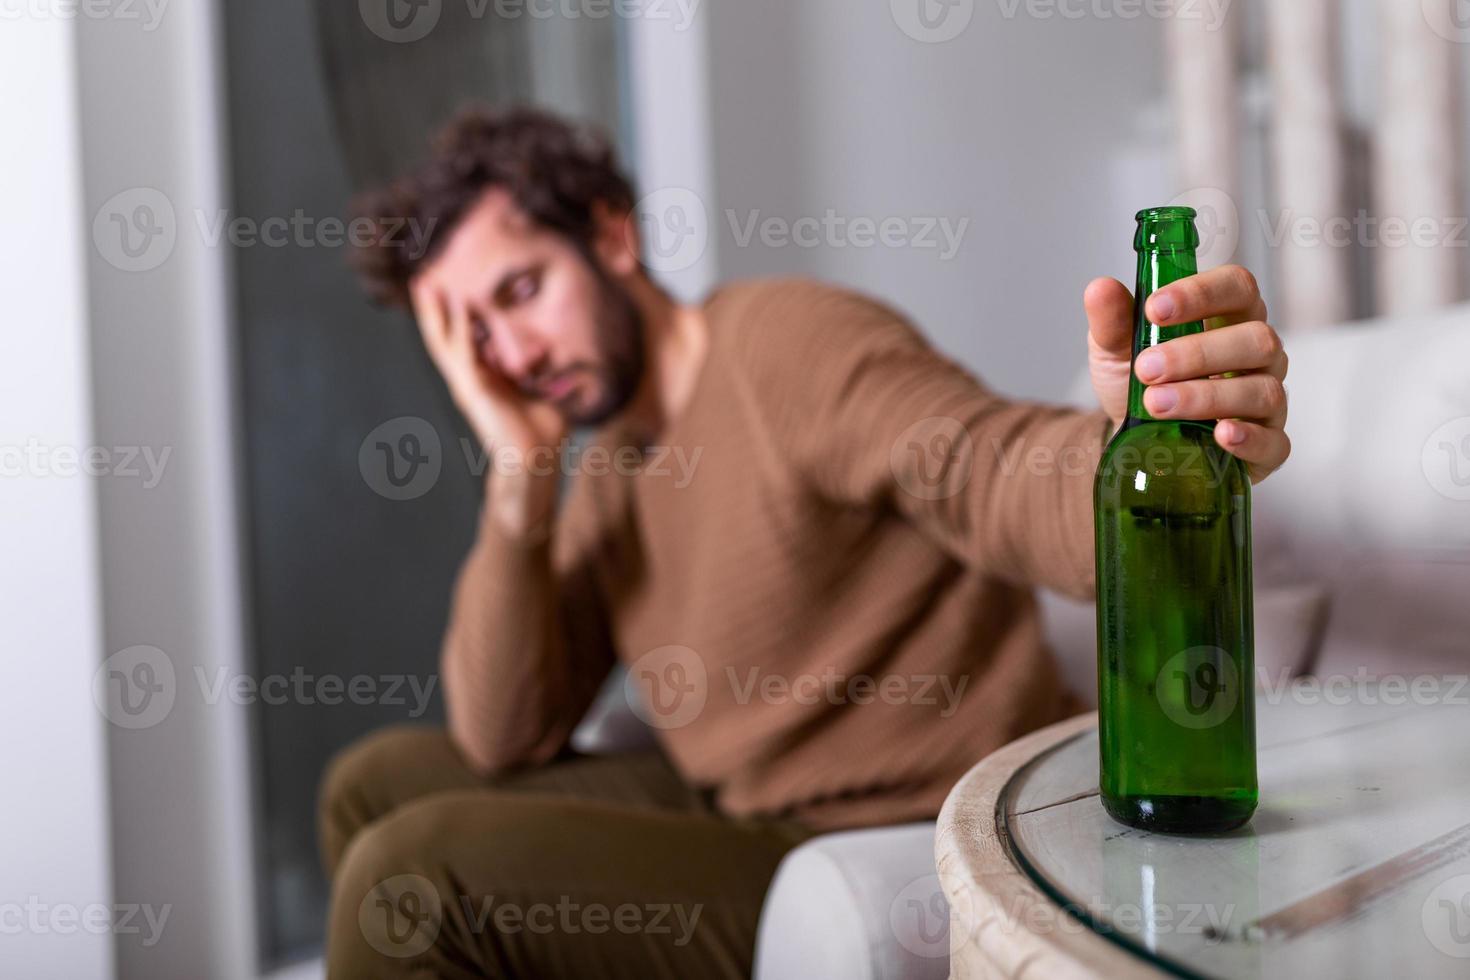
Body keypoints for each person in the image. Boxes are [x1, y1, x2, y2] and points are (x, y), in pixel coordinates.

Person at [319, 107, 1290, 979]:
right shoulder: (610, 463)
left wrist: (1135, 451)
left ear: (611, 233)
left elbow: (982, 463)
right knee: (370, 782)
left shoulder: (789, 346)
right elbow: (502, 730)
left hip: (876, 818)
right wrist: (520, 483)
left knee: (404, 881)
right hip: (732, 797)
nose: (516, 358)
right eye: (476, 338)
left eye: (521, 290)